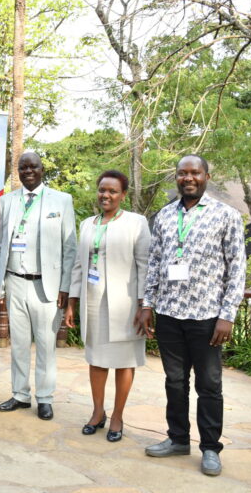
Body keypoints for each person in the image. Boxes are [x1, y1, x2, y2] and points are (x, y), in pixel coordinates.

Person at [137, 155, 245, 477]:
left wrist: (227, 315)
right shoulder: (165, 216)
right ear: (176, 177)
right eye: (182, 173)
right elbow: (155, 262)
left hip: (207, 316)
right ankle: (178, 439)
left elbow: (237, 268)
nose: (188, 178)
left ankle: (210, 448)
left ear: (206, 176)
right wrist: (147, 304)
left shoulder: (226, 215)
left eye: (195, 172)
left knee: (209, 384)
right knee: (174, 381)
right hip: (169, 313)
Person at [64, 170, 150, 442]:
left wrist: (144, 305)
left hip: (126, 305)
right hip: (93, 301)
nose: (106, 195)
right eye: (102, 189)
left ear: (123, 195)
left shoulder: (136, 223)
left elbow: (145, 265)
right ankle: (98, 412)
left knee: (124, 363)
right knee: (97, 360)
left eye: (113, 191)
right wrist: (71, 302)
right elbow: (79, 265)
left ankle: (117, 417)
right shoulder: (88, 224)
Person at [0, 152, 76, 420]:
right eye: (23, 167)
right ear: (18, 171)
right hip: (14, 280)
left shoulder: (61, 200)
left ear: (42, 169)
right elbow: (0, 244)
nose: (28, 171)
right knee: (18, 344)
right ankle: (20, 395)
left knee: (46, 345)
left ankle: (45, 398)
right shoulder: (7, 201)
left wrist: (66, 286)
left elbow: (70, 248)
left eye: (33, 167)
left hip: (46, 286)